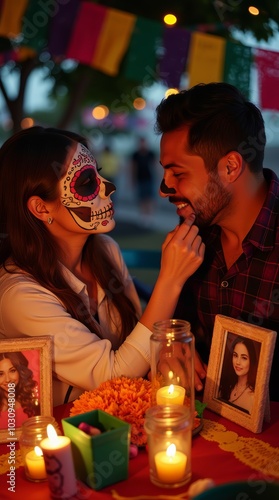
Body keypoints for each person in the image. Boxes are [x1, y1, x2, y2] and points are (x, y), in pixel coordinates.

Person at [0, 127, 206, 406]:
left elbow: (137, 336)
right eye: (86, 183)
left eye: (98, 173)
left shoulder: (106, 250)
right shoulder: (19, 296)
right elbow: (112, 376)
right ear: (41, 208)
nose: (108, 187)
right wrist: (170, 280)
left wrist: (165, 346)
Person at [155, 82, 279, 401]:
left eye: (178, 174)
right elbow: (178, 322)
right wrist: (175, 343)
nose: (164, 189)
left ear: (230, 167)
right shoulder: (194, 232)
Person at [219, 336, 258, 414]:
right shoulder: (226, 385)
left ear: (252, 361)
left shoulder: (253, 397)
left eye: (244, 358)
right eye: (235, 355)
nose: (238, 362)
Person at [0, 352, 39, 429]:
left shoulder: (33, 402)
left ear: (20, 372)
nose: (7, 379)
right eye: (0, 374)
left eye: (12, 371)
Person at [130, 137, 156, 217]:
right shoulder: (136, 155)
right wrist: (132, 180)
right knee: (142, 198)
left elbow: (155, 166)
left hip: (149, 178)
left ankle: (149, 214)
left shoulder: (151, 154)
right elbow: (133, 168)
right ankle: (143, 215)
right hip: (140, 178)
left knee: (150, 198)